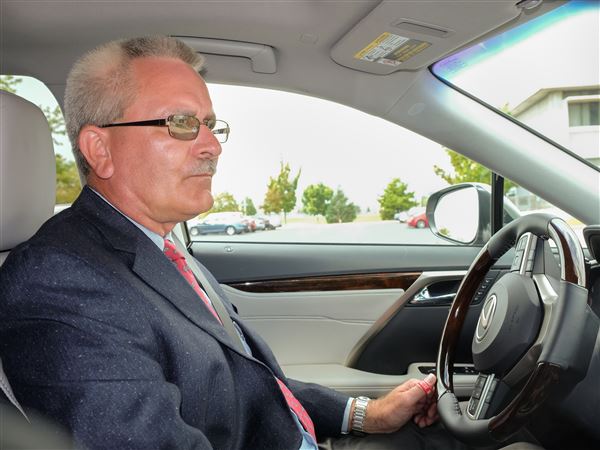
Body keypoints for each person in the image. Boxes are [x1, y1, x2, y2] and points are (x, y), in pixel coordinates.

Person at [0, 36, 465, 450]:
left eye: (210, 125)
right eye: (181, 123)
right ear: (100, 150)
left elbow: (240, 382)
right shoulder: (58, 282)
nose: (212, 146)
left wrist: (365, 415)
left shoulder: (158, 248)